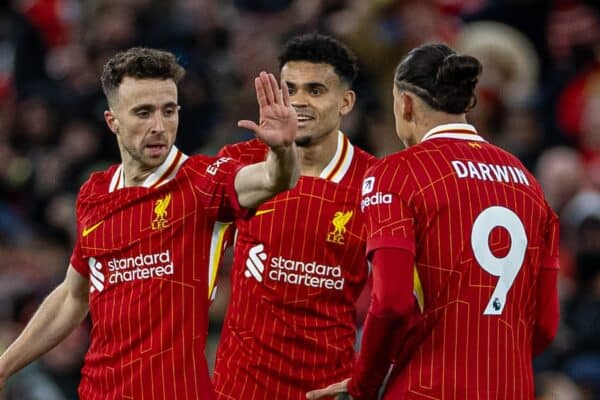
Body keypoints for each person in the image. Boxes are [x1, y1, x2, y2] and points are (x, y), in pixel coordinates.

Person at [0, 47, 299, 399]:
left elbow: (272, 180)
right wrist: (5, 367)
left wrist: (282, 151)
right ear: (113, 121)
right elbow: (72, 296)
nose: (159, 126)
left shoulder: (202, 181)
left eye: (168, 111)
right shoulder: (94, 194)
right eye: (143, 112)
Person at [307, 43, 560, 399]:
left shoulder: (396, 173)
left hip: (427, 388)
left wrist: (362, 386)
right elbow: (545, 326)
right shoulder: (529, 184)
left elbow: (392, 303)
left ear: (406, 103)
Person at [212, 33, 376, 399]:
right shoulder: (241, 161)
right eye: (291, 89)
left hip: (327, 390)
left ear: (346, 102)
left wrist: (374, 374)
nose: (299, 102)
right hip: (240, 389)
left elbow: (406, 298)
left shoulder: (377, 182)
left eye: (315, 90)